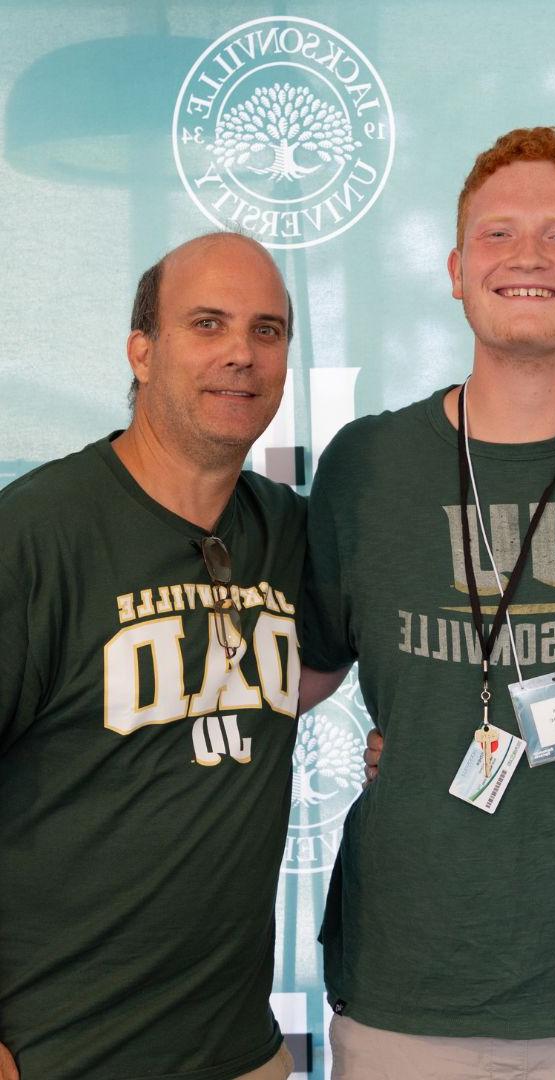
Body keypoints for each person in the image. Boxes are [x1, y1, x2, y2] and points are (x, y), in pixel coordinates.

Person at [300, 127, 555, 1079]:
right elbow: (301, 675)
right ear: (453, 270)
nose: (528, 256)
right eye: (498, 234)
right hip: (408, 990)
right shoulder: (367, 467)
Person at [0, 233, 304, 1080]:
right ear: (142, 351)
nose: (240, 353)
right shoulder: (36, 534)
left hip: (241, 1053)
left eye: (267, 330)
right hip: (62, 1056)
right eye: (207, 324)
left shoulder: (286, 531)